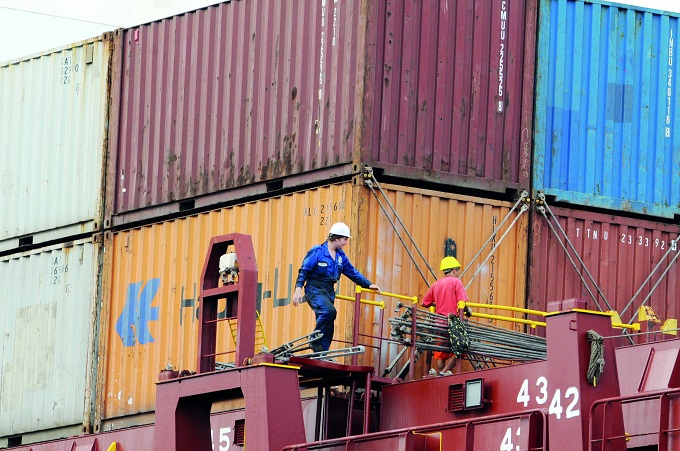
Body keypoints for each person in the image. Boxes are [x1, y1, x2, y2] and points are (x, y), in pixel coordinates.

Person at [292, 222, 381, 352]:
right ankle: (315, 340)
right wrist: (298, 289)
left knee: (329, 321)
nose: (346, 243)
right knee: (329, 312)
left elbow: (352, 272)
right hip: (314, 289)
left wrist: (368, 284)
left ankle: (322, 350)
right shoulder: (317, 252)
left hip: (328, 291)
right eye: (345, 239)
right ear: (337, 238)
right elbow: (304, 270)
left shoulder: (340, 256)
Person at [421, 256, 469, 376]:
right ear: (453, 271)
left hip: (439, 322)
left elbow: (424, 303)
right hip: (452, 322)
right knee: (460, 350)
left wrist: (438, 303)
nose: (459, 274)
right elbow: (462, 302)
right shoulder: (456, 282)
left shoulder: (436, 284)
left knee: (441, 353)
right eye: (458, 271)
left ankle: (440, 373)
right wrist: (468, 310)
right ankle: (443, 373)